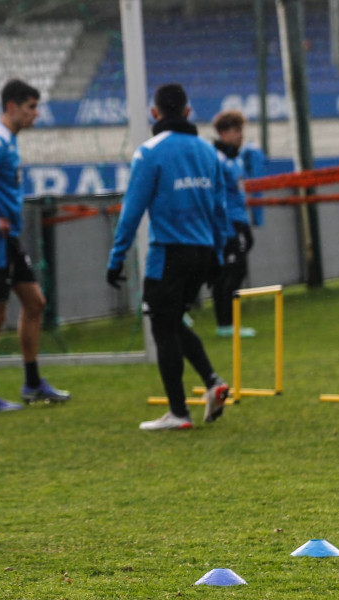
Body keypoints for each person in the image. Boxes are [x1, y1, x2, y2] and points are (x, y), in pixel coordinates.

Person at [106, 83, 230, 431]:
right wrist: (218, 257)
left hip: (169, 254)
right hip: (204, 253)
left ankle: (178, 412)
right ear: (188, 112)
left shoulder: (149, 153)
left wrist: (116, 259)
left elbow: (132, 212)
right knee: (175, 321)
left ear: (154, 113)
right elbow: (220, 210)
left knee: (162, 326)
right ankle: (213, 381)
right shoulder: (209, 153)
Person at [0, 78, 71, 412]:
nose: (36, 114)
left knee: (35, 302)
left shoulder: (6, 139)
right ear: (12, 107)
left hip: (7, 238)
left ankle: (33, 382)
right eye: (31, 107)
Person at [211, 110, 256, 338]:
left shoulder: (233, 158)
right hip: (228, 224)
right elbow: (217, 196)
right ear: (224, 133)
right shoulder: (217, 159)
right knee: (230, 273)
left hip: (238, 221)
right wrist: (226, 228)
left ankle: (227, 323)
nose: (241, 135)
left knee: (232, 272)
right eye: (237, 131)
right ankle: (226, 324)